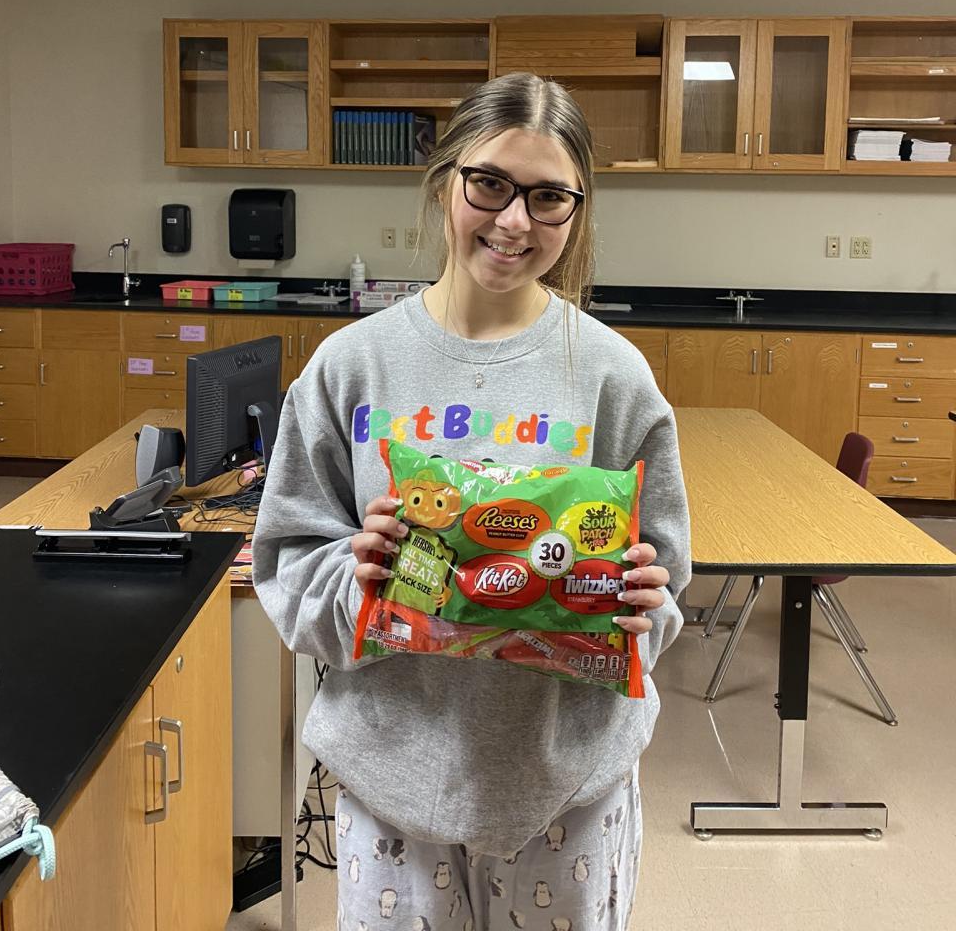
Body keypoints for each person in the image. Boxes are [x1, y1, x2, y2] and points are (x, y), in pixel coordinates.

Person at [253, 72, 691, 931]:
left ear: (577, 210)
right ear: (443, 181)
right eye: (489, 183)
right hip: (393, 781)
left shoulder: (614, 377)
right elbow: (288, 564)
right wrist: (357, 578)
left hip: (568, 785)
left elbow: (666, 583)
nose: (515, 220)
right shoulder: (351, 367)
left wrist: (643, 605)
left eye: (548, 196)